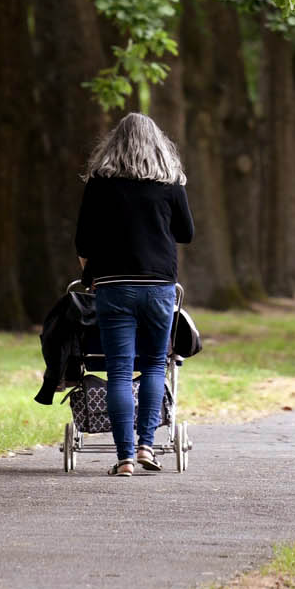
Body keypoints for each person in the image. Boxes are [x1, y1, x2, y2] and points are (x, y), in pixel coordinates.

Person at [73, 111, 194, 475]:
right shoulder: (169, 184)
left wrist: (91, 274)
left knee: (120, 371)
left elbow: (82, 240)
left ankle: (124, 457)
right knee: (156, 363)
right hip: (158, 286)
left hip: (113, 286)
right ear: (159, 145)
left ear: (114, 144)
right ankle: (146, 447)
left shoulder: (99, 184)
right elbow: (185, 233)